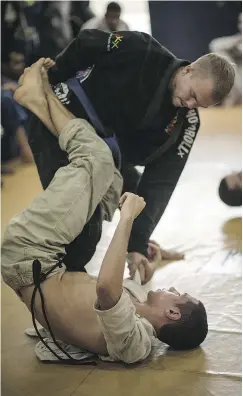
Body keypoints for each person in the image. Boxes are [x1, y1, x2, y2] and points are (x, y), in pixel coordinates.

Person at [1, 59, 208, 364]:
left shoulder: (136, 344)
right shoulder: (139, 311)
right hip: (43, 260)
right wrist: (146, 252)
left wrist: (126, 219)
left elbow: (107, 291)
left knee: (95, 157)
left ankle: (38, 97)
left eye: (179, 293)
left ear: (173, 312)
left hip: (30, 252)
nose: (174, 288)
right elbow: (121, 291)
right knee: (112, 172)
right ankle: (38, 100)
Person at [26, 30, 235, 284]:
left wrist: (137, 243)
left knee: (137, 200)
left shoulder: (186, 123)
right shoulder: (141, 49)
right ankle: (60, 292)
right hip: (57, 124)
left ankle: (139, 244)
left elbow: (160, 183)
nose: (190, 105)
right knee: (82, 232)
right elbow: (86, 42)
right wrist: (50, 80)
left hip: (103, 149)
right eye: (192, 95)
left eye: (199, 104)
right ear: (188, 70)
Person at [209, 13, 242, 106]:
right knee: (220, 54)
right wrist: (236, 43)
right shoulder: (235, 41)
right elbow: (214, 45)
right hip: (237, 85)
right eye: (241, 22)